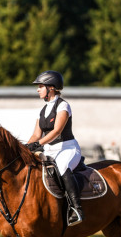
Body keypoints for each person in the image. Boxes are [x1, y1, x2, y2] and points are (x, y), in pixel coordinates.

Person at [26, 70, 84, 224]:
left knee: (62, 166)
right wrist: (25, 147)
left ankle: (76, 209)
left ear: (51, 87)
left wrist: (38, 144)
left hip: (67, 148)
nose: (38, 89)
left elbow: (57, 130)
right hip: (50, 150)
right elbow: (36, 135)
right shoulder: (43, 110)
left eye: (40, 86)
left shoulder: (63, 106)